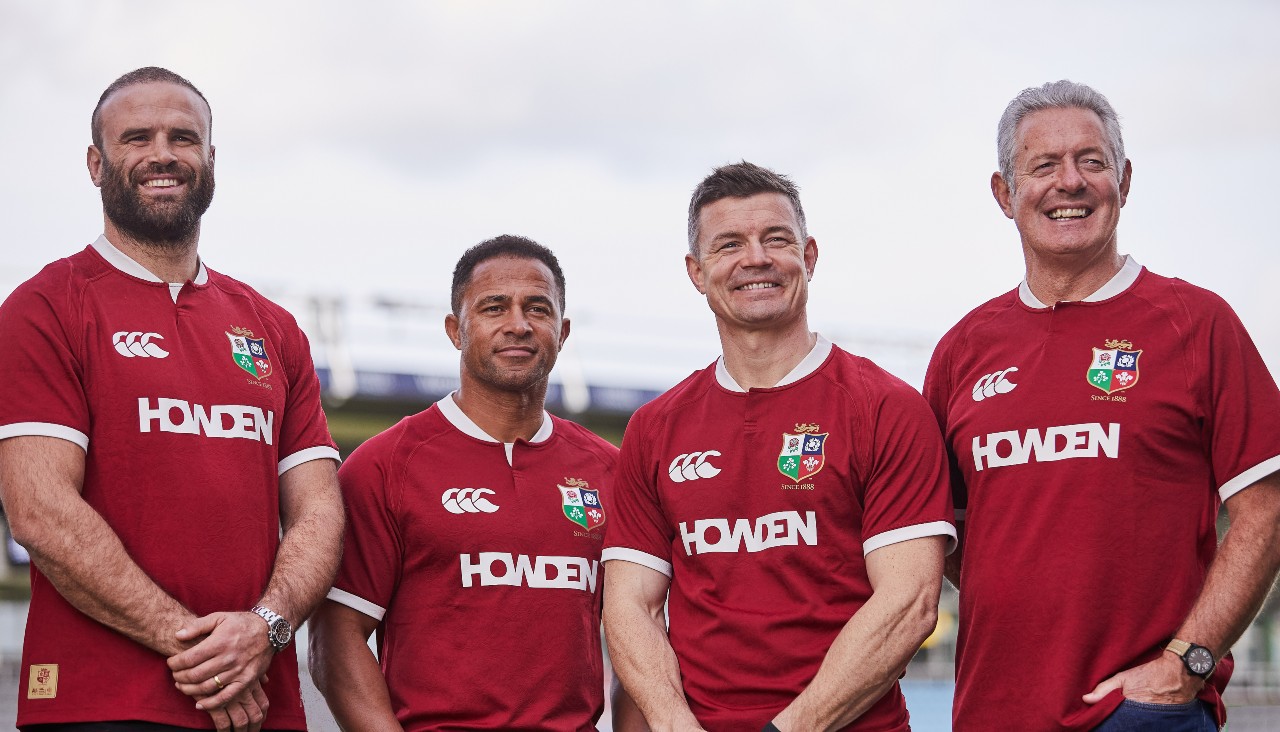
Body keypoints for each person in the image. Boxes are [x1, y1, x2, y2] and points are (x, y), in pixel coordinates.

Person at [924, 80, 1280, 731]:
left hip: (1142, 713)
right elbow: (940, 535)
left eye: (1092, 161)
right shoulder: (962, 351)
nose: (1070, 183)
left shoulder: (1198, 323)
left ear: (1125, 179)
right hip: (991, 712)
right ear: (1006, 194)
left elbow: (1267, 508)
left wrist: (1187, 662)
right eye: (1044, 166)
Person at [0, 67, 344, 731]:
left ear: (210, 160)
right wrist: (203, 652)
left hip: (260, 706)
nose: (163, 154)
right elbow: (39, 512)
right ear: (97, 164)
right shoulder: (45, 309)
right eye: (138, 138)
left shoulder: (271, 327)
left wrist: (266, 628)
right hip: (103, 705)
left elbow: (320, 510)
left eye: (183, 138)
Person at [602, 162, 956, 731]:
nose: (756, 260)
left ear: (810, 256)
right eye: (729, 245)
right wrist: (673, 725)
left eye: (776, 239)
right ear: (696, 271)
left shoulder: (885, 408)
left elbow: (908, 604)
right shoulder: (655, 427)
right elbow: (631, 605)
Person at [309, 235, 630, 730]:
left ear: (562, 332)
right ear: (455, 330)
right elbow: (337, 637)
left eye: (537, 309)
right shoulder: (384, 466)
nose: (518, 325)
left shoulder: (610, 471)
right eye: (494, 308)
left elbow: (640, 635)